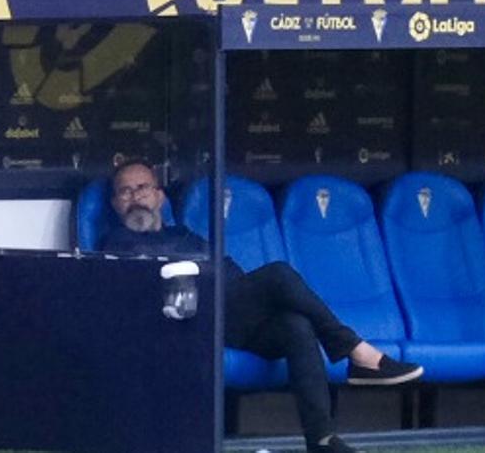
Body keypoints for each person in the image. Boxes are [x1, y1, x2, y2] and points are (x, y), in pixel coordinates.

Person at [101, 161, 424, 453]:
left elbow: (229, 275)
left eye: (142, 188)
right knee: (279, 274)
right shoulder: (114, 243)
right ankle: (357, 351)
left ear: (159, 197)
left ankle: (323, 441)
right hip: (181, 324)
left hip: (224, 314)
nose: (134, 197)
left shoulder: (185, 236)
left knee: (295, 325)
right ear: (116, 204)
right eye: (124, 192)